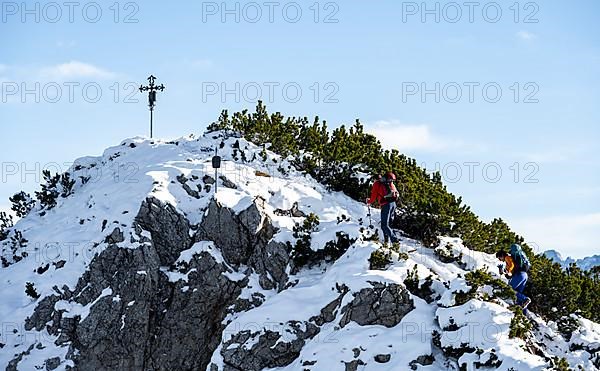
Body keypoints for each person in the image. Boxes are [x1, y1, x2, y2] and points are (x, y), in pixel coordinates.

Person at [366, 172, 400, 245]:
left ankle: (394, 241)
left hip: (386, 205)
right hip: (393, 204)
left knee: (384, 225)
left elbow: (373, 196)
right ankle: (386, 241)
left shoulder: (377, 184)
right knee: (388, 225)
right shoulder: (389, 183)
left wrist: (369, 201)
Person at [496, 244, 532, 310]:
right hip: (524, 275)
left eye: (499, 258)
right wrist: (506, 273)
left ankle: (526, 299)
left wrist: (507, 270)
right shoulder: (512, 259)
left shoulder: (507, 257)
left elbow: (511, 266)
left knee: (510, 290)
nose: (499, 259)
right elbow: (510, 274)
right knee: (517, 294)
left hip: (519, 275)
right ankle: (522, 310)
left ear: (501, 256)